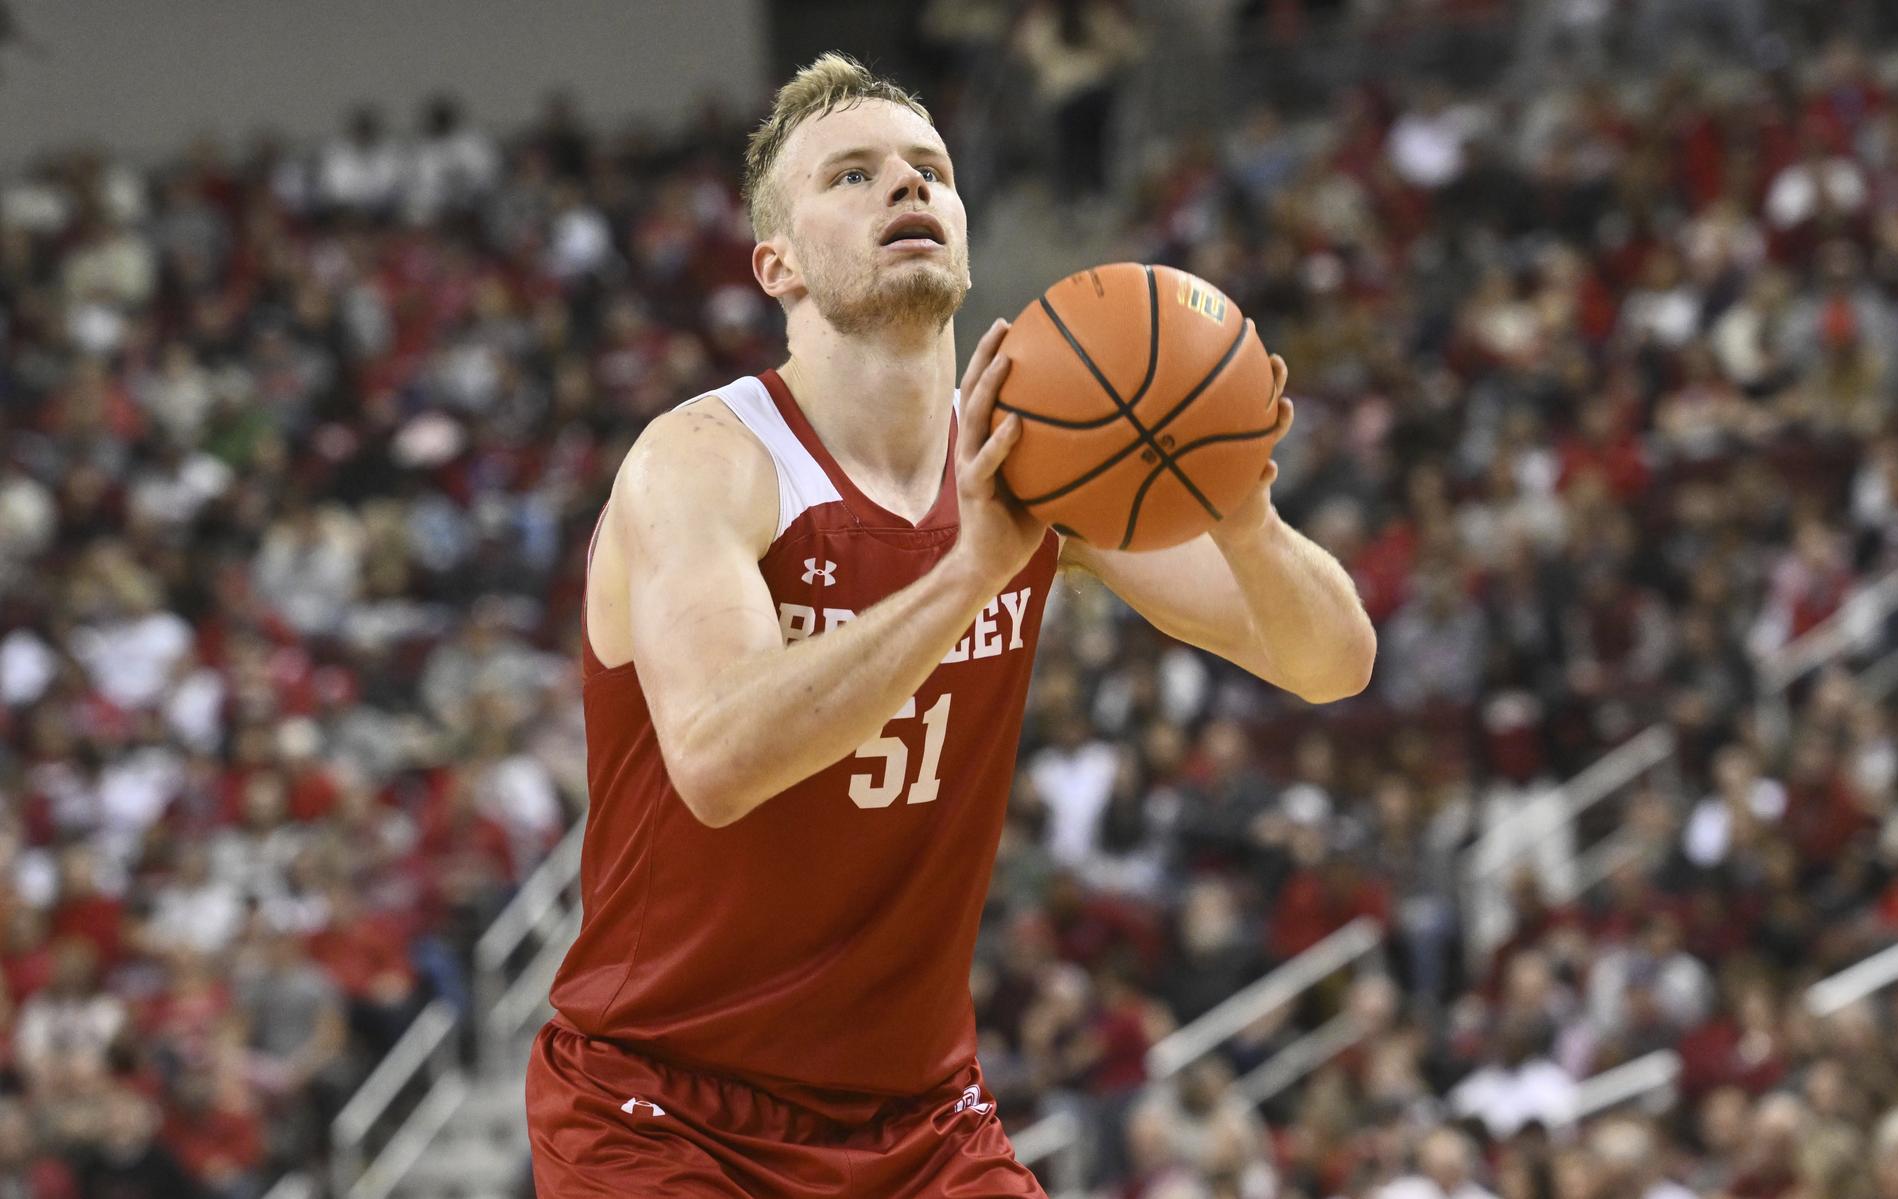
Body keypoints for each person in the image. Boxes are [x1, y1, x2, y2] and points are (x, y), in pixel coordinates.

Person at [523, 52, 1375, 1195]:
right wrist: (970, 571)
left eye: (930, 170)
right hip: (665, 1106)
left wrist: (1249, 515)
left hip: (918, 1116)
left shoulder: (1042, 455)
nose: (906, 189)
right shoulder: (702, 461)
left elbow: (1331, 664)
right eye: (855, 175)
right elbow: (720, 760)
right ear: (777, 265)